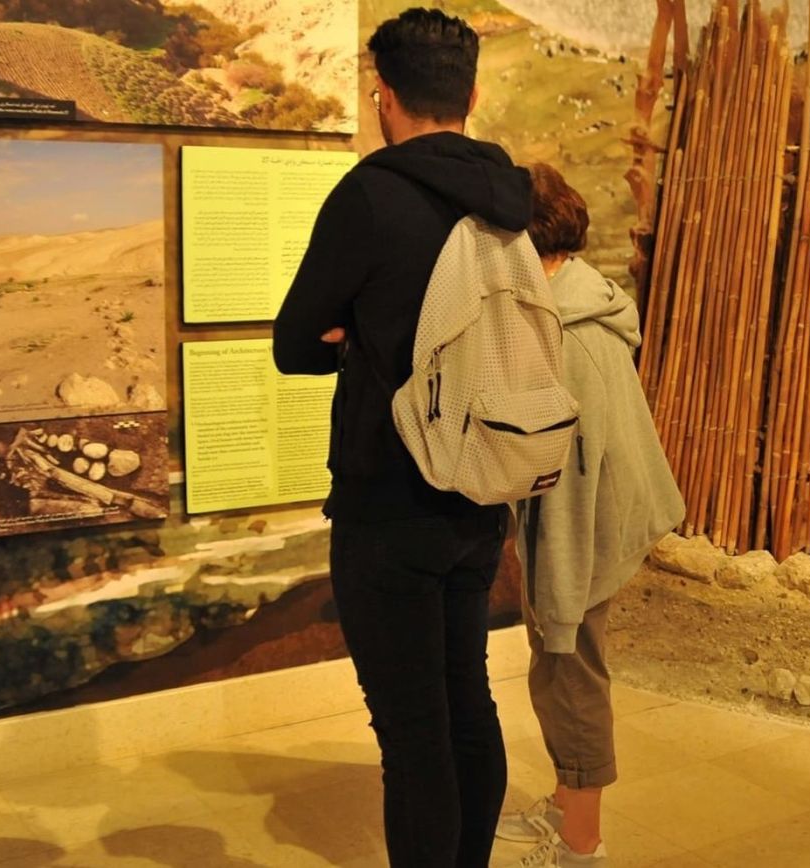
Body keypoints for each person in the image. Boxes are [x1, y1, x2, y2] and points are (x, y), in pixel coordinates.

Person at [272, 9, 535, 867]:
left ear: (383, 96)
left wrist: (356, 336)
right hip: (481, 487)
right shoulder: (510, 198)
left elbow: (292, 344)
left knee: (413, 734)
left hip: (389, 498)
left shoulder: (371, 194)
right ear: (474, 93)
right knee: (468, 705)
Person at [497, 164, 685, 867]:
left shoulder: (565, 338)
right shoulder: (578, 298)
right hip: (609, 503)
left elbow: (574, 478)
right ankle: (563, 803)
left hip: (588, 521)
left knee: (568, 671)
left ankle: (581, 843)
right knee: (560, 668)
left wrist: (559, 593)